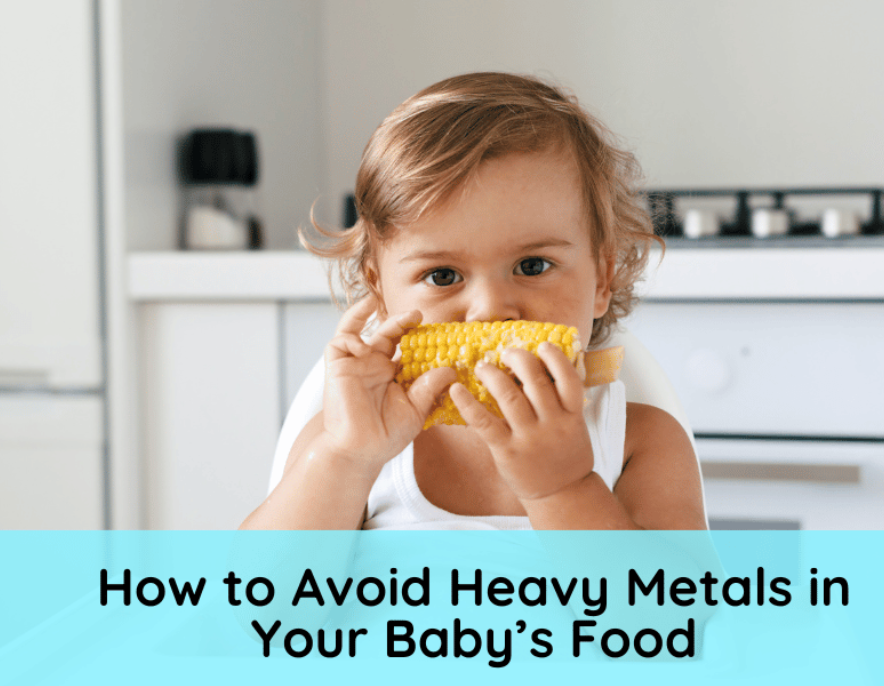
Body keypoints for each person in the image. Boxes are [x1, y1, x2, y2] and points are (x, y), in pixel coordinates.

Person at [240, 72, 706, 532]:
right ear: (379, 292)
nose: (489, 310)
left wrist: (564, 489)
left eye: (532, 266)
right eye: (442, 275)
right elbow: (262, 603)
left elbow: (666, 608)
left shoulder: (636, 441)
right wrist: (346, 458)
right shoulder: (352, 440)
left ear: (602, 279)